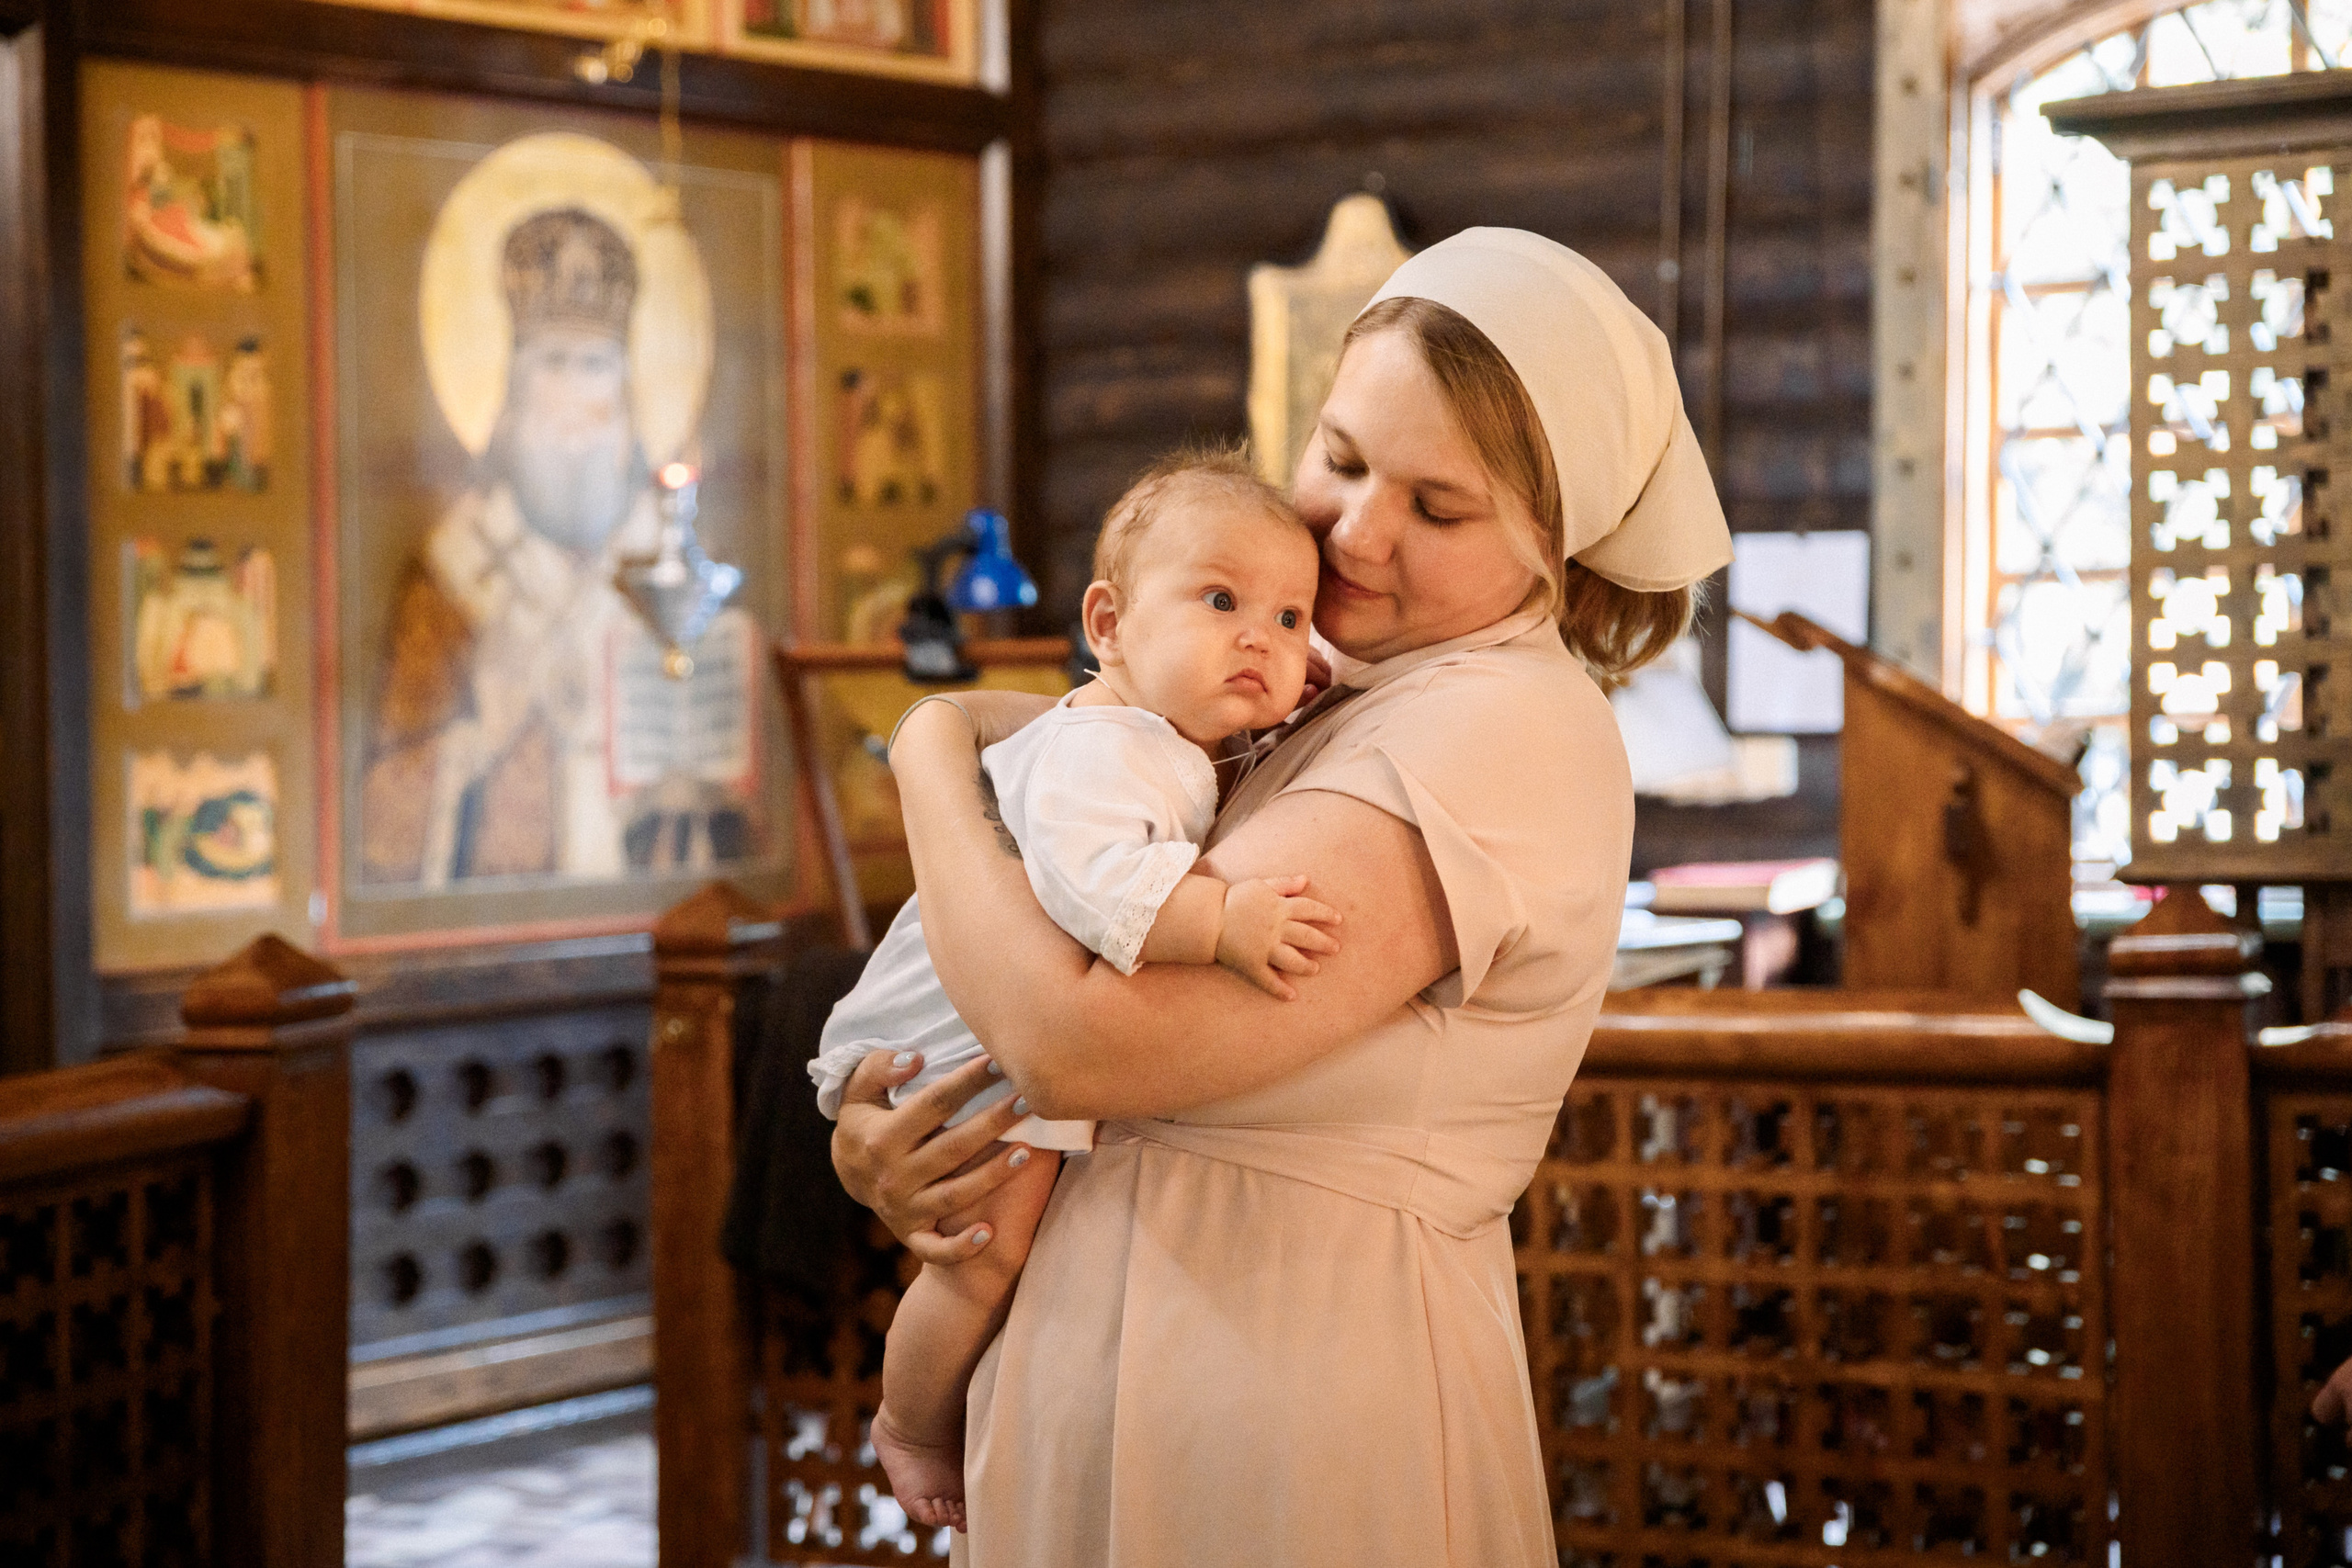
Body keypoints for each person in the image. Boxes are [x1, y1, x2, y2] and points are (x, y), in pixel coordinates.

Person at [832, 228, 1734, 1565]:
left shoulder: (1503, 724)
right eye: (1344, 456)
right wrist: (897, 1143)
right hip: (1110, 1355)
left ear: (1558, 542)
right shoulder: (1329, 684)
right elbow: (1084, 738)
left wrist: (924, 756)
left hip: (1292, 1387)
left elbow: (1081, 1036)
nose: (1358, 531)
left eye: (1438, 506)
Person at [809, 451, 1341, 1529]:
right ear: (1108, 624)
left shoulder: (1167, 741)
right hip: (950, 1032)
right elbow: (1092, 881)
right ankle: (910, 1422)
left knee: (995, 1243)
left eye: (1292, 618)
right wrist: (1222, 920)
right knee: (983, 1250)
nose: (1261, 637)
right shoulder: (1108, 745)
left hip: (985, 1020)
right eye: (1221, 599)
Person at [360, 207, 752, 887]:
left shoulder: (677, 567)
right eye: (555, 364)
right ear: (513, 385)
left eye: (596, 365)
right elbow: (381, 822)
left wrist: (701, 777)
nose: (576, 399)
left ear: (626, 386)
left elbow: (747, 801)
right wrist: (482, 735)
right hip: (501, 947)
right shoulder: (453, 574)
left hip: (665, 927)